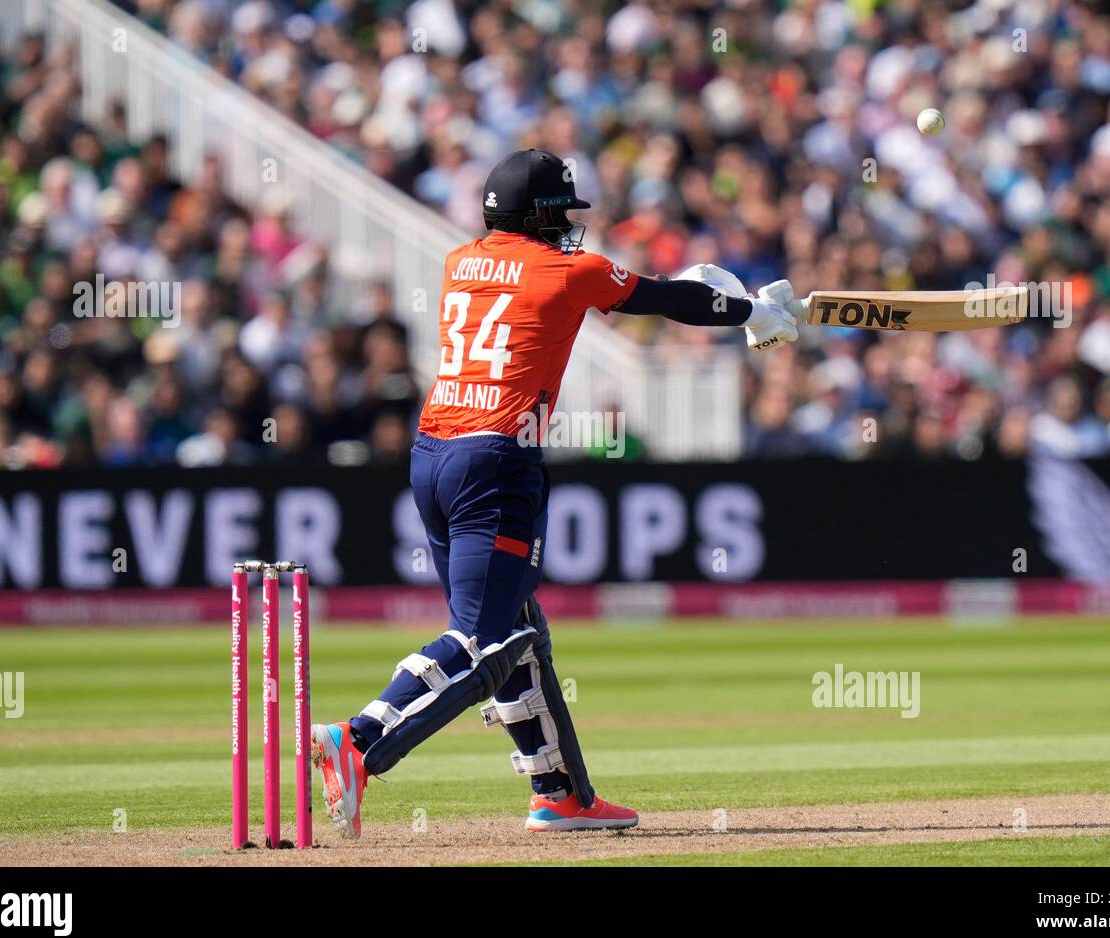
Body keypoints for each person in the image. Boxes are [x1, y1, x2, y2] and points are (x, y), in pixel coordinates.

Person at [310, 148, 798, 835]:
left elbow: (641, 291)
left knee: (517, 631)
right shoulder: (573, 272)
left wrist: (705, 292)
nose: (569, 227)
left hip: (433, 456)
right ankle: (358, 740)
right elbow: (662, 301)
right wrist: (749, 311)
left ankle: (560, 792)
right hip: (497, 462)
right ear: (532, 214)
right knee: (484, 639)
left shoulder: (461, 263)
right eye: (558, 214)